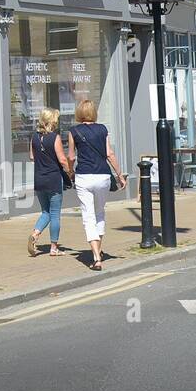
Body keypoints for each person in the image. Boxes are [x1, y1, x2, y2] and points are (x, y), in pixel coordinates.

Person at [67, 99, 126, 271]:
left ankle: (96, 257)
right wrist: (120, 175)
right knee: (99, 212)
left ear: (79, 113)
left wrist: (70, 172)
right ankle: (98, 251)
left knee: (88, 215)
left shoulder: (74, 131)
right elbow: (110, 154)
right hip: (102, 177)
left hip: (84, 177)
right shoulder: (102, 129)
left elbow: (71, 157)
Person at [28, 108, 70, 257]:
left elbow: (32, 157)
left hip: (39, 179)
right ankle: (54, 248)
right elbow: (62, 160)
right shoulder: (55, 137)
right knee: (55, 214)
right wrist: (70, 171)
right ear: (52, 121)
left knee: (45, 211)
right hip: (53, 179)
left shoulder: (34, 137)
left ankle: (35, 234)